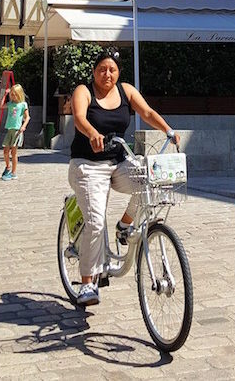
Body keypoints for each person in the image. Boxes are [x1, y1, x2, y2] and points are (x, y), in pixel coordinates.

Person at [68, 49, 180, 307]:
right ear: (94, 72)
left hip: (118, 162)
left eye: (112, 69)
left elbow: (148, 113)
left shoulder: (126, 91)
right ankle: (87, 283)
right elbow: (79, 118)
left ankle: (124, 225)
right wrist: (92, 133)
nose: (107, 73)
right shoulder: (83, 91)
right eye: (102, 69)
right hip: (87, 165)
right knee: (95, 222)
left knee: (148, 180)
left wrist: (167, 129)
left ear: (118, 73)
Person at [0, 83, 29, 180]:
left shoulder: (23, 105)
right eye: (12, 94)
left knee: (13, 152)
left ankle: (13, 172)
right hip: (9, 130)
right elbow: (0, 106)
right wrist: (4, 95)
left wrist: (23, 126)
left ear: (19, 94)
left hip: (17, 131)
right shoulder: (10, 104)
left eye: (15, 94)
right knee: (5, 151)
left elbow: (27, 117)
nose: (13, 96)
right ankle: (8, 167)